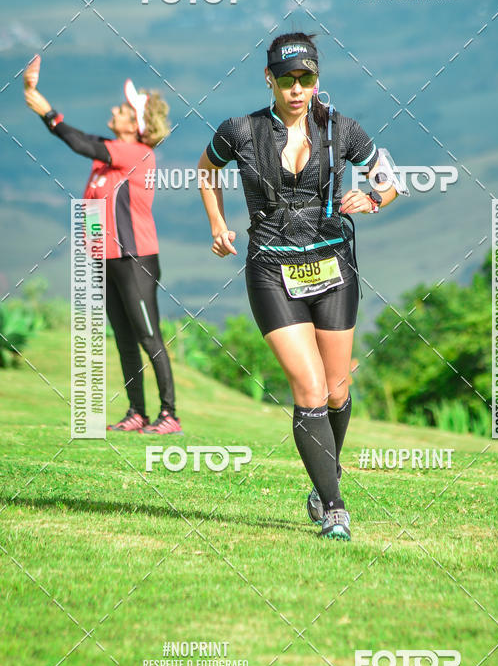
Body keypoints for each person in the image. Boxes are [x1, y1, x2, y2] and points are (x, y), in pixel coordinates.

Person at [196, 33, 399, 540]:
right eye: (287, 79)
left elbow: (387, 179)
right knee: (308, 388)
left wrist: (374, 200)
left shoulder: (341, 128)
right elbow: (206, 170)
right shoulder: (239, 131)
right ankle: (334, 508)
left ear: (316, 80)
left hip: (334, 267)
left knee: (336, 389)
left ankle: (324, 475)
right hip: (271, 270)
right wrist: (218, 224)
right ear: (269, 78)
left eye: (305, 79)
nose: (296, 89)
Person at [23, 54, 183, 435]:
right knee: (125, 339)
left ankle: (170, 415)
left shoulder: (136, 154)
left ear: (136, 125)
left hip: (135, 260)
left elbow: (79, 142)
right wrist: (36, 97)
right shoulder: (109, 156)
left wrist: (47, 111)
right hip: (105, 259)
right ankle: (137, 413)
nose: (114, 109)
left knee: (148, 336)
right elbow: (75, 137)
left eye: (123, 109)